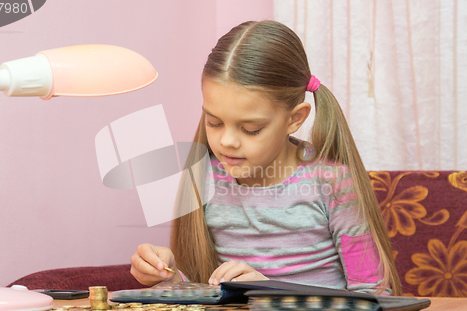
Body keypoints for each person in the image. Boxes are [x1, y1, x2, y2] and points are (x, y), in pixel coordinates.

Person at [130, 20, 402, 296]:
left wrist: (272, 292)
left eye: (251, 129)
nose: (227, 142)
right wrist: (167, 275)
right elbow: (204, 297)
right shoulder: (205, 177)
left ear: (295, 119)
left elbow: (374, 296)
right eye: (214, 122)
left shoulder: (332, 183)